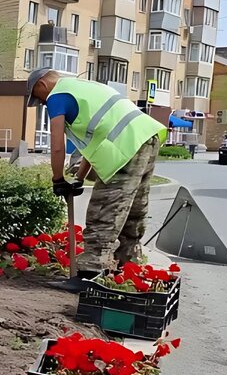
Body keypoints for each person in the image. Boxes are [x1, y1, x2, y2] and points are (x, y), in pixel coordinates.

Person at [25, 67, 168, 292]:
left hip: (126, 147)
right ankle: (125, 270)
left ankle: (89, 275)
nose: (42, 103)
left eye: (38, 99)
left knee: (104, 210)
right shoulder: (86, 87)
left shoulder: (57, 96)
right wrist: (79, 179)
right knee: (133, 212)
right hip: (146, 137)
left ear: (42, 85)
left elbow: (57, 146)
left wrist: (57, 179)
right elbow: (94, 145)